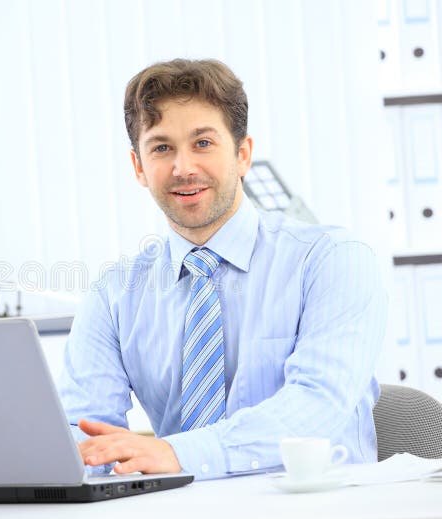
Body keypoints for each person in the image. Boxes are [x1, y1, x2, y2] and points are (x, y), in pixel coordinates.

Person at [56, 58, 388, 480]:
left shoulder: (333, 260)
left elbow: (317, 407)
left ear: (243, 154)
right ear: (138, 167)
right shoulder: (115, 293)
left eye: (203, 143)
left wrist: (178, 455)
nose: (183, 168)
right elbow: (84, 430)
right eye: (161, 148)